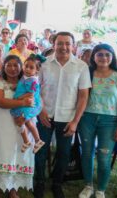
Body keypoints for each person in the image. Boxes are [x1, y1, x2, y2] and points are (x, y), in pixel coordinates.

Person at [34, 32, 92, 198]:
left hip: (67, 119)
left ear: (73, 46)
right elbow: (35, 89)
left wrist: (75, 121)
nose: (64, 47)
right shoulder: (43, 64)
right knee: (40, 151)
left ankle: (57, 183)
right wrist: (41, 111)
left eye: (67, 43)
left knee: (64, 153)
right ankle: (39, 181)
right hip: (45, 115)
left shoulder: (81, 66)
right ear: (54, 45)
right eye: (60, 43)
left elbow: (83, 96)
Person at [78, 44, 117, 198]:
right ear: (94, 56)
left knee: (104, 156)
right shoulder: (87, 73)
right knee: (87, 153)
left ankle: (100, 189)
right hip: (87, 118)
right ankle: (88, 185)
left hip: (110, 121)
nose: (103, 57)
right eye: (100, 54)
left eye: (107, 54)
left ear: (112, 57)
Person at [0, 55, 35, 198]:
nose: (13, 68)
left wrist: (27, 114)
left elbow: (35, 98)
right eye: (9, 65)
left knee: (18, 155)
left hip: (22, 124)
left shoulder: (26, 82)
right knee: (1, 153)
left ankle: (12, 189)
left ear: (22, 67)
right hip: (3, 125)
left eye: (16, 65)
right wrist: (22, 103)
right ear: (4, 66)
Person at [10, 54, 46, 153]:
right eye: (26, 66)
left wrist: (18, 98)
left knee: (23, 121)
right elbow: (22, 86)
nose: (28, 69)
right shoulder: (25, 77)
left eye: (31, 68)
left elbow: (31, 94)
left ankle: (35, 140)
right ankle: (30, 141)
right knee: (24, 122)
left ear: (36, 71)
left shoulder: (33, 80)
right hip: (24, 103)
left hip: (28, 103)